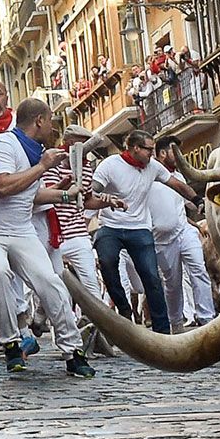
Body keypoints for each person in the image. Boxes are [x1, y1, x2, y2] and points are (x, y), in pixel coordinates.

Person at [0, 98, 91, 377]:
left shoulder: (36, 152)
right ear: (39, 121)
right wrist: (43, 167)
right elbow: (3, 186)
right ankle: (10, 342)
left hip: (21, 230)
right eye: (51, 120)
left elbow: (32, 196)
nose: (54, 127)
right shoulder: (4, 145)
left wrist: (67, 193)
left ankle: (73, 350)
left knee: (50, 282)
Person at [87, 129, 198, 336]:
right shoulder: (109, 166)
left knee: (151, 277)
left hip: (139, 228)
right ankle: (124, 308)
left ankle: (162, 331)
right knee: (107, 262)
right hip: (110, 226)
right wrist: (105, 201)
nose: (153, 153)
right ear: (135, 148)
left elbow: (177, 184)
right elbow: (90, 194)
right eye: (149, 149)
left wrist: (197, 199)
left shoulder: (153, 166)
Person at [149, 137, 215, 328]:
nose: (179, 156)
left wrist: (199, 213)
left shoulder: (179, 176)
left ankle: (207, 318)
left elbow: (185, 202)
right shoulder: (149, 175)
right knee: (172, 283)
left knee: (199, 270)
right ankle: (175, 321)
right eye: (174, 151)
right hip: (161, 239)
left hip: (183, 232)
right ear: (162, 153)